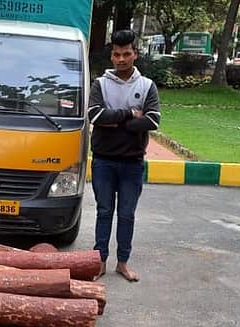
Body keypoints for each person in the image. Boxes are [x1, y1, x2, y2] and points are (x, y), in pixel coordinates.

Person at [87, 29, 161, 282]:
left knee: (127, 214)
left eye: (126, 54)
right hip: (103, 161)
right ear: (112, 56)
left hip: (132, 163)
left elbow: (153, 120)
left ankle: (123, 262)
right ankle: (100, 262)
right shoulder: (100, 84)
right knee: (104, 211)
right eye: (117, 54)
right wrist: (130, 114)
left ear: (135, 55)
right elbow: (95, 116)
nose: (121, 59)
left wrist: (114, 120)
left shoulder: (147, 86)